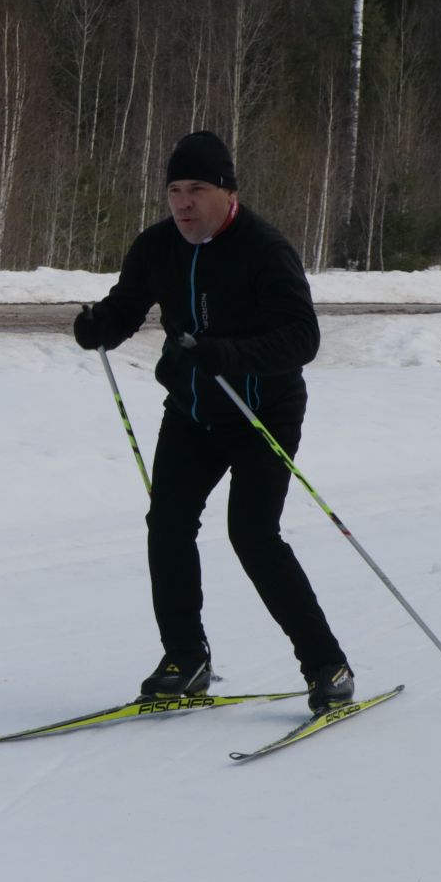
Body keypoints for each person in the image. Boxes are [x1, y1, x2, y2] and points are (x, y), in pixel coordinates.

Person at [72, 131, 354, 714]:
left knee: (252, 534)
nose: (182, 202)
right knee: (167, 524)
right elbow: (128, 304)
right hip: (193, 410)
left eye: (196, 189)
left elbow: (303, 338)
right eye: (174, 190)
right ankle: (185, 658)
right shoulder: (156, 247)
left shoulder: (264, 249)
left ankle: (327, 665)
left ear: (228, 192)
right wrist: (100, 325)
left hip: (261, 413)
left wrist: (230, 354)